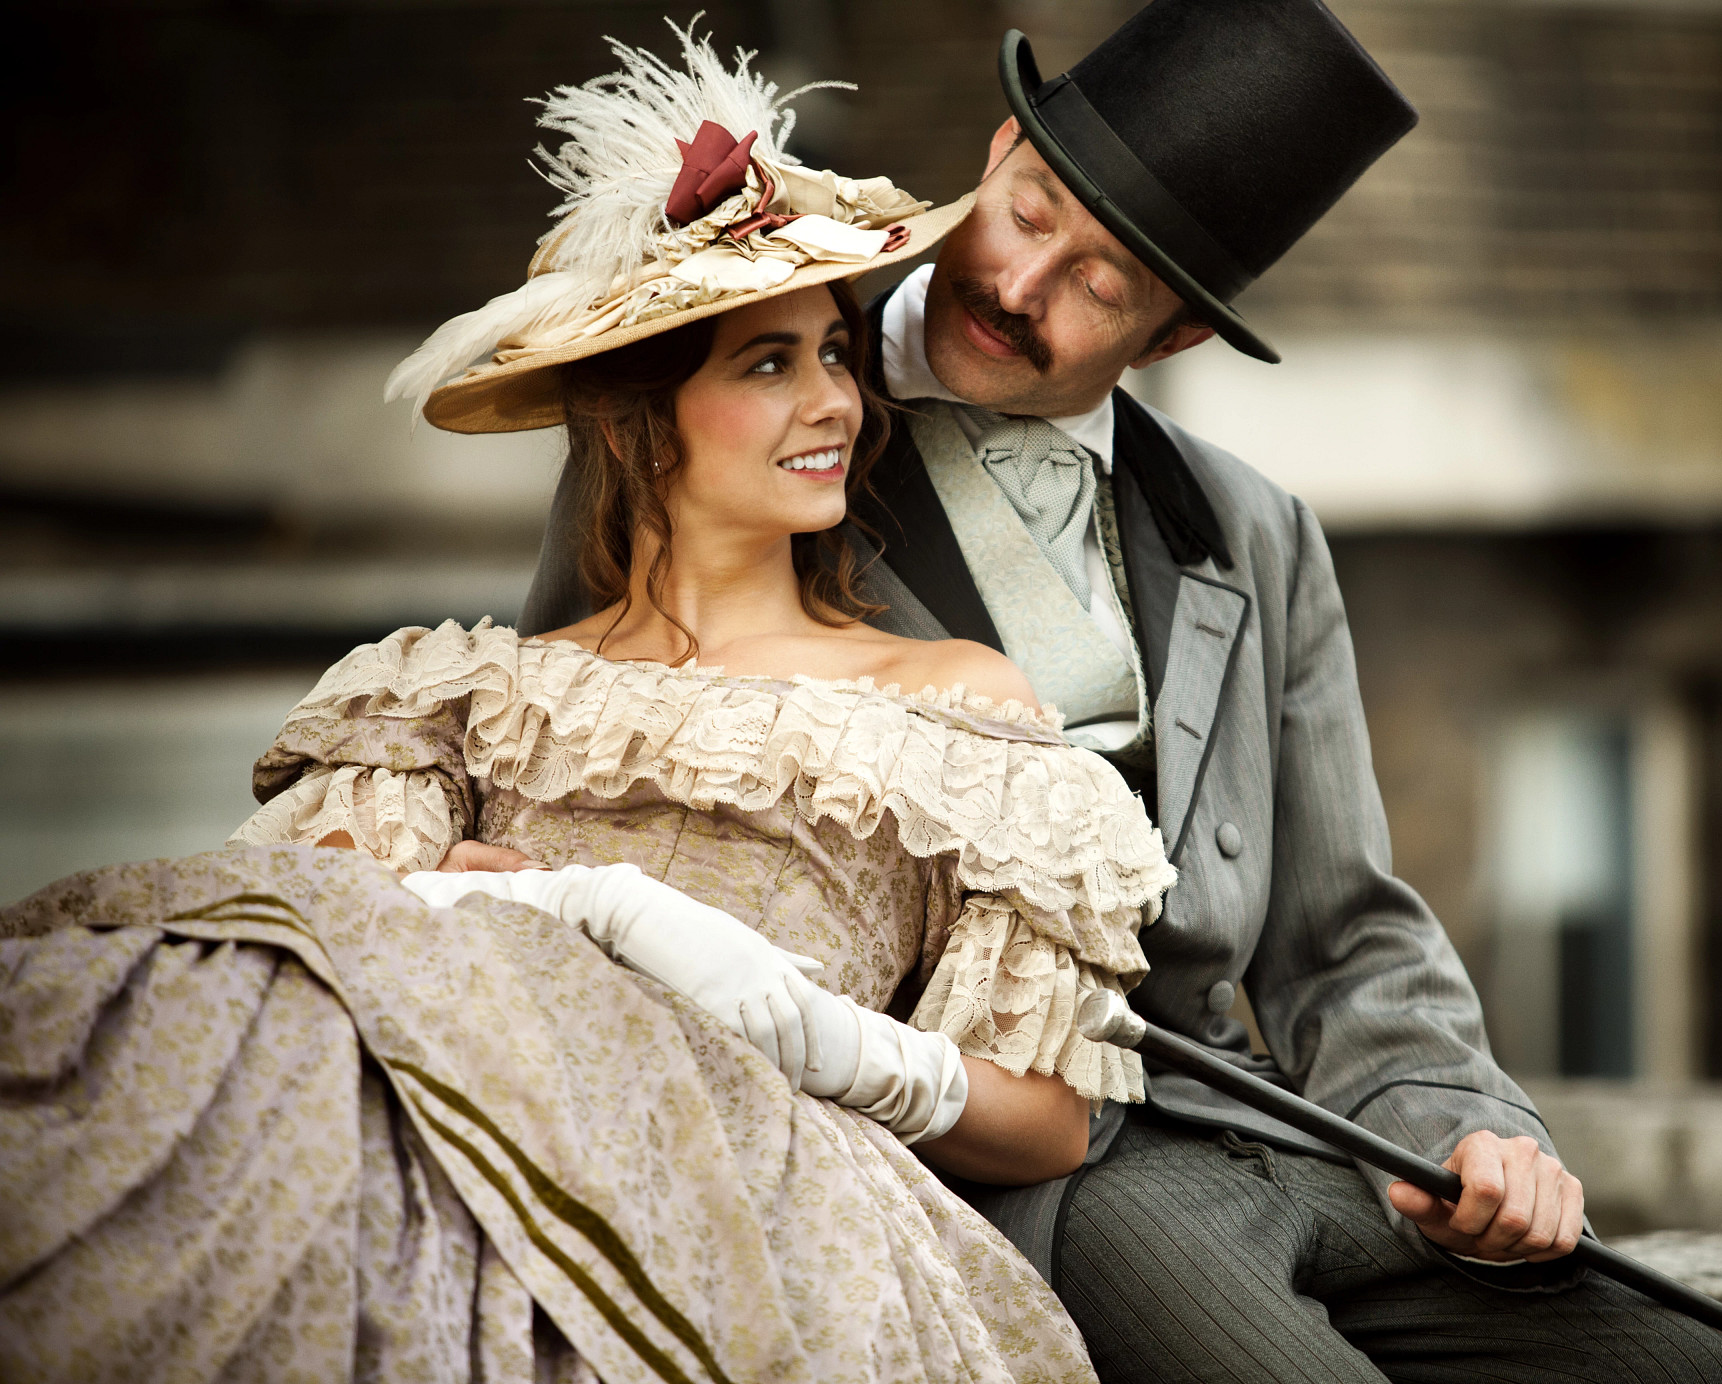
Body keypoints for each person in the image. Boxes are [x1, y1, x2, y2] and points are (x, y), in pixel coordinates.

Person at [512, 2, 1722, 1380]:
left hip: (1300, 1141)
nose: (1025, 282)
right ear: (997, 150)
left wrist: (1466, 1126)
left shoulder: (1254, 526)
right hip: (1036, 1182)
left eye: (1105, 282)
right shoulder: (746, 425)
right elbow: (575, 738)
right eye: (1030, 209)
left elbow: (1342, 930)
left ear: (1172, 339)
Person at [0, 30, 1170, 1382]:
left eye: (835, 355)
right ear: (637, 423)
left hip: (753, 1182)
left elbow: (1051, 1121)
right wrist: (489, 904)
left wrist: (812, 1032)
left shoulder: (956, 706)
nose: (835, 401)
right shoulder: (467, 695)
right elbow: (287, 936)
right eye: (768, 364)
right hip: (449, 1133)